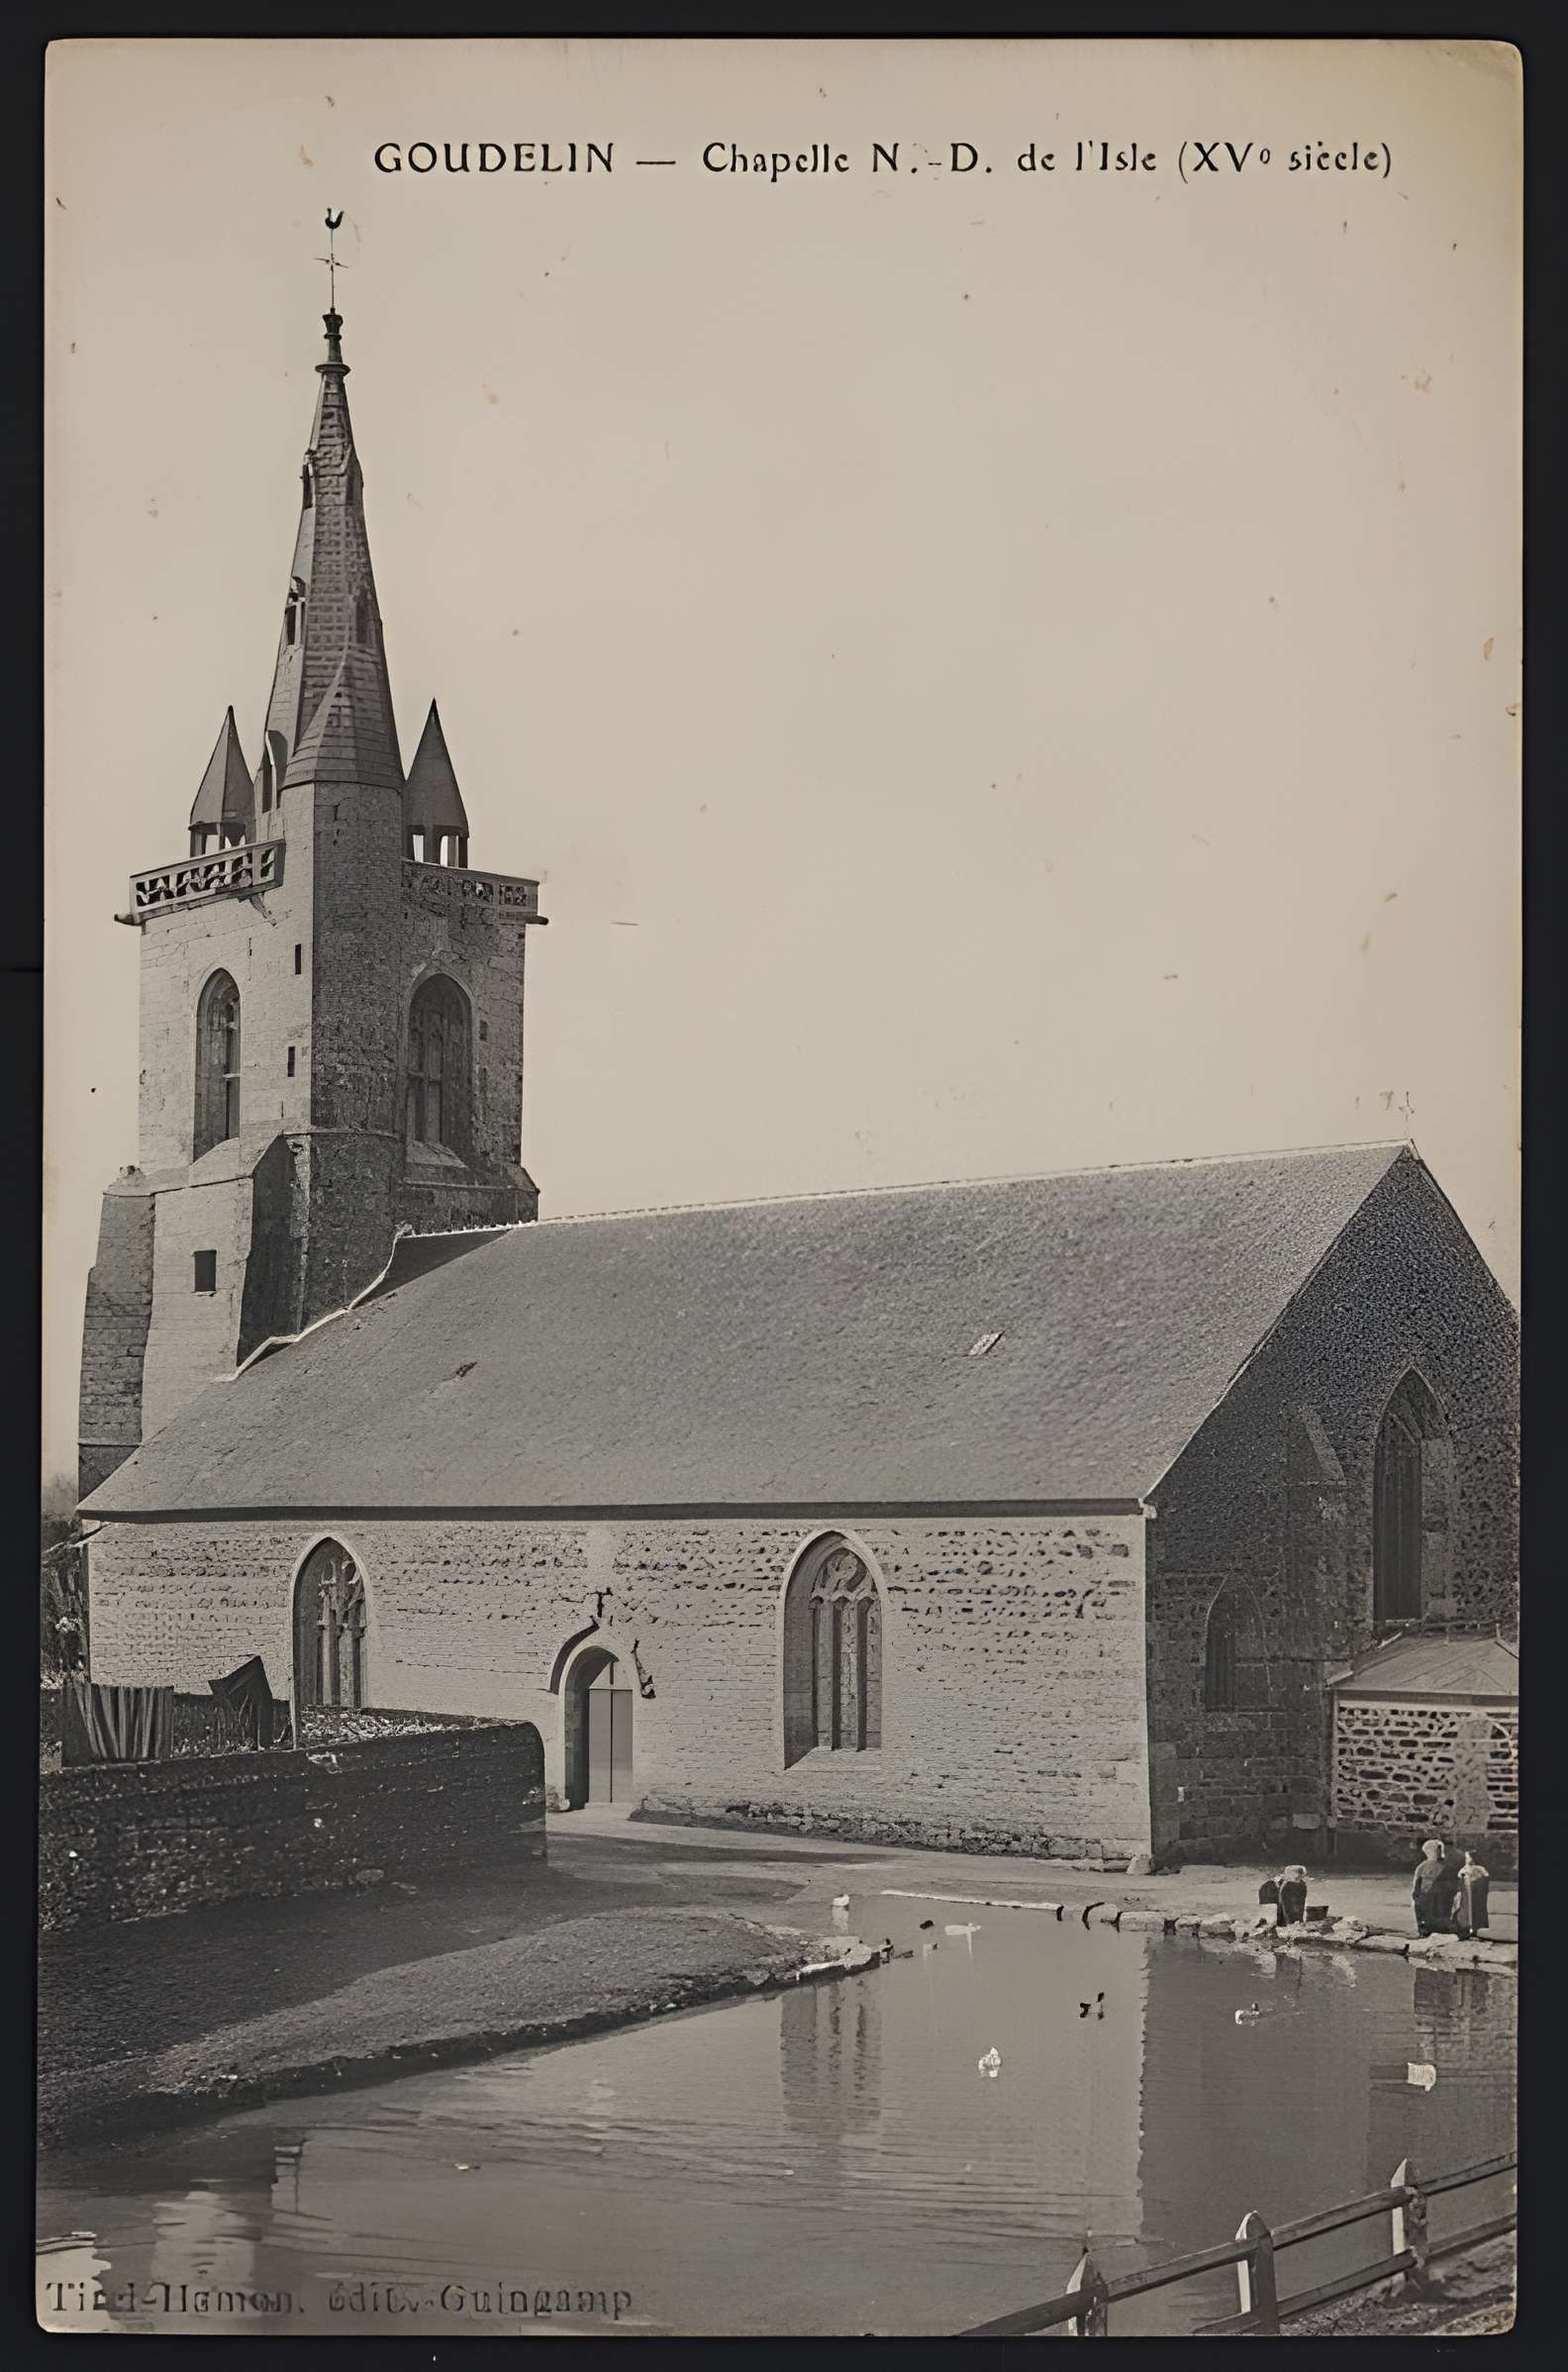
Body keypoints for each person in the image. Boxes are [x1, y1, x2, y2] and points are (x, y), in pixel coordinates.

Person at [1412, 1838, 1459, 1936]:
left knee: (1440, 1912)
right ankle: (1425, 1928)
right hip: (1426, 1894)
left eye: (1440, 1849)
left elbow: (1453, 1881)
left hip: (1442, 1896)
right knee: (1424, 1911)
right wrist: (1418, 1893)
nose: (1438, 1852)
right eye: (1436, 1849)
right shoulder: (1422, 1866)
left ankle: (1441, 1928)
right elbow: (1417, 1882)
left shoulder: (1446, 1866)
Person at [1454, 1849, 1490, 1940]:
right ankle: (1469, 1928)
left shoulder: (1478, 1869)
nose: (1466, 1859)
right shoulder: (1466, 1869)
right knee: (1469, 1910)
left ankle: (1474, 1928)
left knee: (1475, 1909)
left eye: (1467, 1857)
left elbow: (1484, 1882)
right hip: (1469, 1893)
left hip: (1475, 1893)